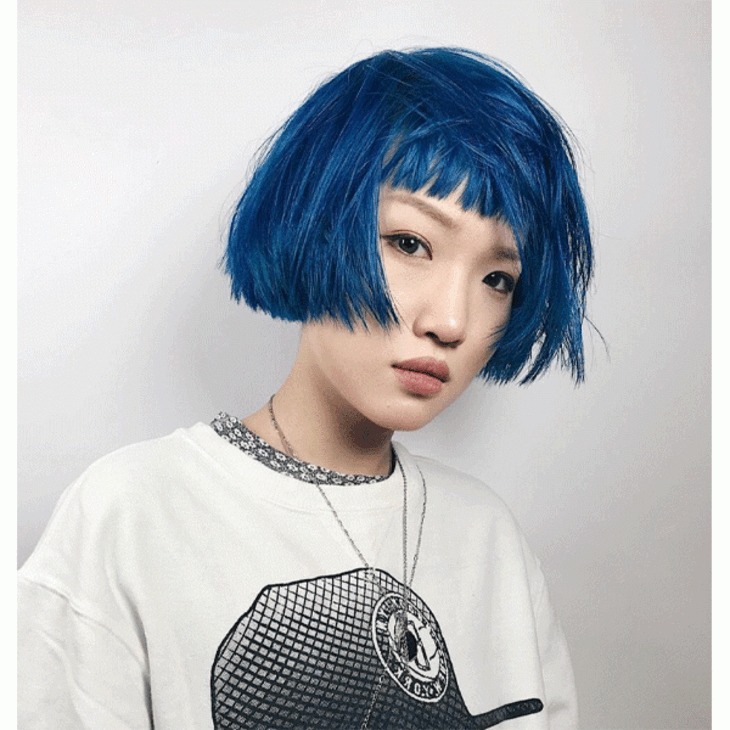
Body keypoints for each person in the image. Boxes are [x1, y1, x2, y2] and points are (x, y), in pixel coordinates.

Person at [18, 47, 592, 729]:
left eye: (497, 278)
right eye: (410, 243)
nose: (450, 321)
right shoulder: (132, 515)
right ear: (316, 225)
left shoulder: (489, 539)